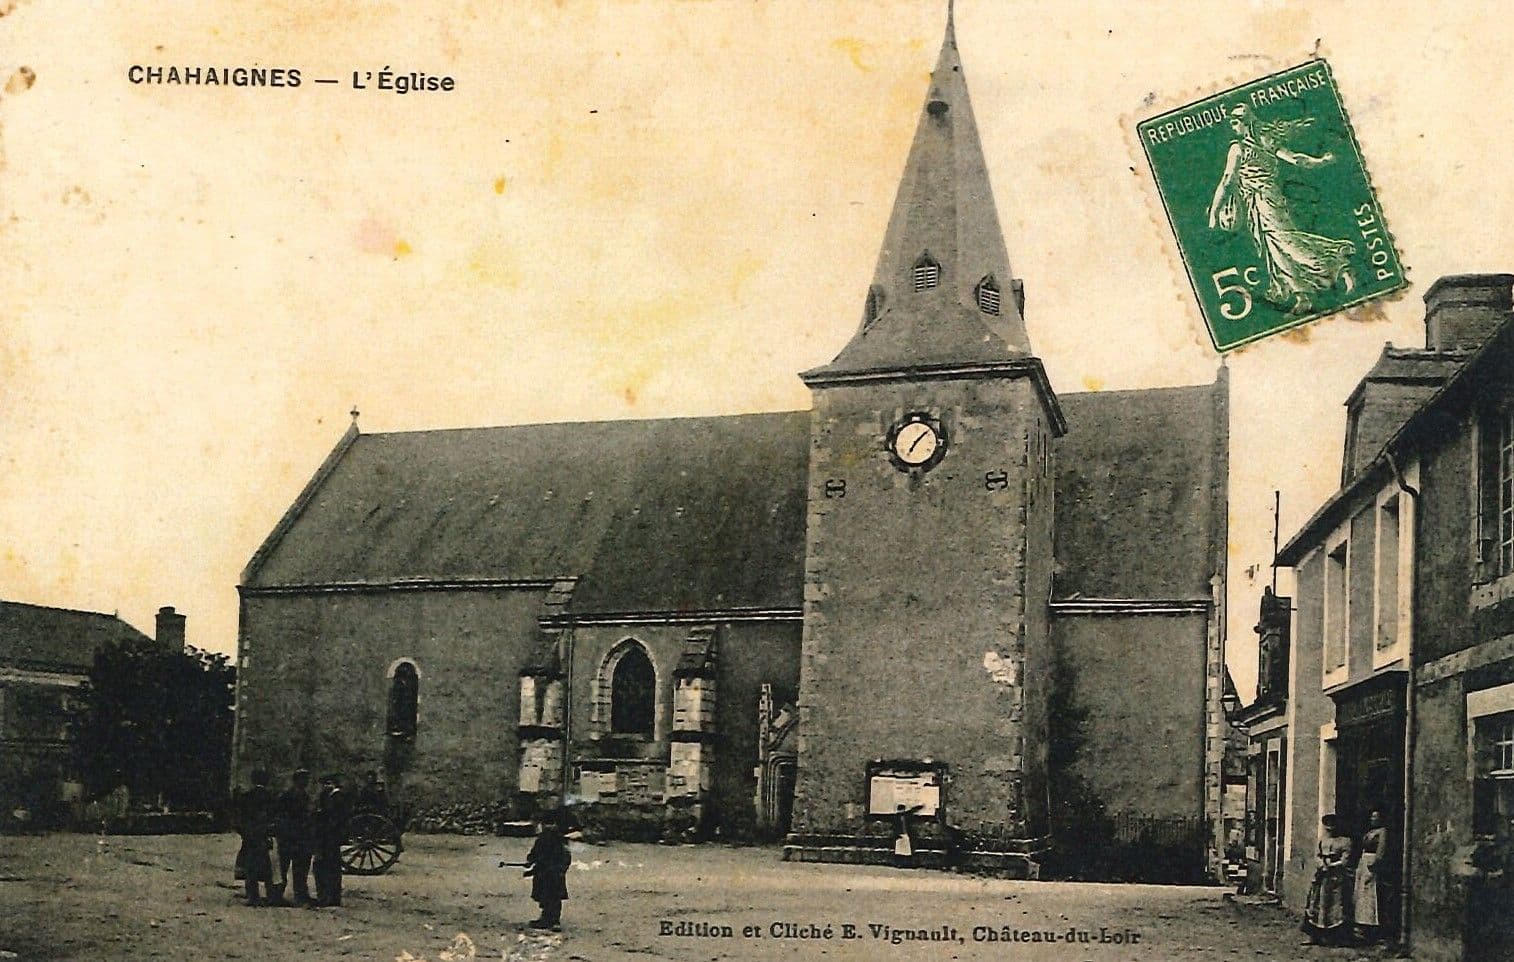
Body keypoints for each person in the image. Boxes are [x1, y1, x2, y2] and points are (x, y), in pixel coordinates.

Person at [1206, 104, 1356, 315]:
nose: (1233, 127)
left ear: (1245, 122)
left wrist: (1214, 213)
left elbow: (1228, 179)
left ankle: (1338, 266)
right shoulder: (1266, 142)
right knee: (1273, 247)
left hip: (1264, 200)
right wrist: (1320, 161)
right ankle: (1302, 294)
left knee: (1287, 241)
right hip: (1261, 200)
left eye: (1235, 122)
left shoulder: (1238, 148)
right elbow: (1296, 159)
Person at [1302, 814, 1354, 945]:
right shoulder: (1322, 841)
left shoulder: (1345, 841)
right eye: (1328, 825)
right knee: (1316, 903)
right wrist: (1321, 864)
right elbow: (1317, 855)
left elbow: (1345, 859)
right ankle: (1314, 935)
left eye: (1333, 824)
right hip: (1322, 876)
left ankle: (1335, 937)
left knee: (1336, 905)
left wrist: (1333, 866)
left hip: (1337, 877)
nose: (1330, 828)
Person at [233, 769, 277, 906]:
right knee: (268, 867)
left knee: (251, 867)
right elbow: (275, 818)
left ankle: (253, 896)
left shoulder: (247, 797)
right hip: (265, 836)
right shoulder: (271, 797)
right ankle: (271, 895)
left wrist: (245, 833)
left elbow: (239, 819)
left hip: (251, 837)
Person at [272, 769, 313, 907]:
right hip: (289, 836)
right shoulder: (286, 796)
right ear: (296, 780)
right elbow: (279, 815)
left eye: (306, 779)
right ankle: (277, 895)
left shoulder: (305, 796)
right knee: (283, 867)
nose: (306, 782)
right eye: (303, 779)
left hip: (301, 837)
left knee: (300, 868)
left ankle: (301, 894)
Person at [523, 814, 572, 931]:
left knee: (554, 898)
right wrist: (530, 862)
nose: (548, 827)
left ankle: (554, 920)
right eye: (546, 824)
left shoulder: (559, 842)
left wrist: (560, 870)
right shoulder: (541, 840)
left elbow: (565, 858)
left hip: (554, 875)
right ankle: (546, 919)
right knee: (544, 897)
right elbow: (534, 854)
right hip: (543, 874)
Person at [311, 774, 348, 908]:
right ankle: (331, 897)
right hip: (330, 837)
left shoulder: (336, 797)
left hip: (328, 837)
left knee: (324, 867)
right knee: (331, 867)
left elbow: (333, 819)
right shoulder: (331, 797)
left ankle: (327, 897)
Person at [1354, 810, 1387, 943]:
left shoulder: (1382, 831)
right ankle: (1362, 924)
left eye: (1376, 817)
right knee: (1361, 895)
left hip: (1372, 863)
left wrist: (1375, 863)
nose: (1373, 819)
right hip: (1363, 862)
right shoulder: (1369, 832)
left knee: (1370, 895)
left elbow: (1381, 849)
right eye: (1372, 817)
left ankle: (1372, 926)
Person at [891, 802, 926, 867]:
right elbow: (894, 827)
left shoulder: (905, 815)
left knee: (907, 851)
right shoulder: (896, 817)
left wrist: (920, 806)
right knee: (899, 851)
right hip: (899, 836)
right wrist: (897, 835)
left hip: (905, 835)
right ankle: (899, 864)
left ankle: (907, 863)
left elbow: (912, 810)